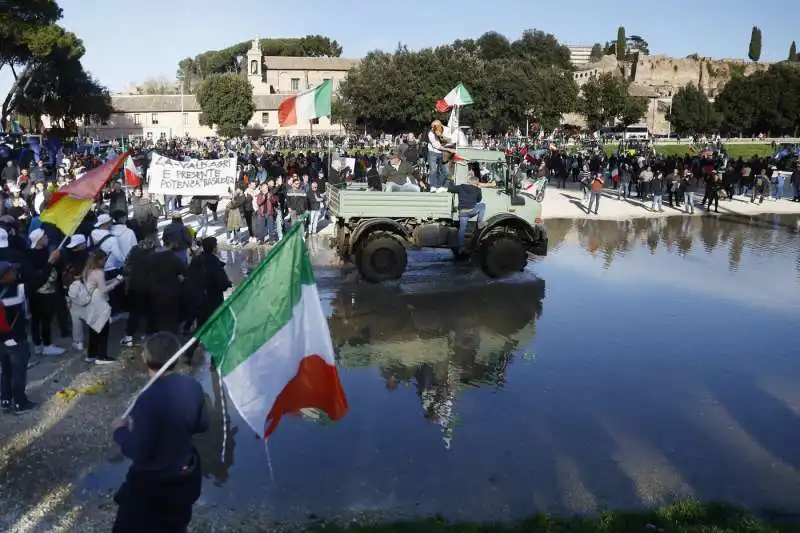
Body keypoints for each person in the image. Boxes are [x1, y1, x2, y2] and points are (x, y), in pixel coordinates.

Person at [111, 332, 208, 533]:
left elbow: (138, 450)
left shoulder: (147, 399)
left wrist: (119, 430)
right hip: (184, 476)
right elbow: (202, 425)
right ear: (178, 357)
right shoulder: (194, 387)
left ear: (144, 358)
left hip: (152, 484)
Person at [82, 249, 122, 364]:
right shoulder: (99, 272)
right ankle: (102, 356)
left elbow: (98, 284)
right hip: (99, 302)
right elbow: (103, 289)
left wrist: (112, 280)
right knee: (103, 329)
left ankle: (91, 354)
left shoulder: (87, 271)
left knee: (93, 329)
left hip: (90, 302)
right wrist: (116, 283)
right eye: (104, 260)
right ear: (99, 260)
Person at [448, 174, 486, 247]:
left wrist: (451, 181)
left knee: (462, 230)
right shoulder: (478, 190)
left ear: (470, 181)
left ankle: (460, 246)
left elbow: (450, 189)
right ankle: (480, 222)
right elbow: (479, 200)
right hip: (471, 210)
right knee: (482, 205)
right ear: (477, 182)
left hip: (462, 212)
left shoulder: (461, 187)